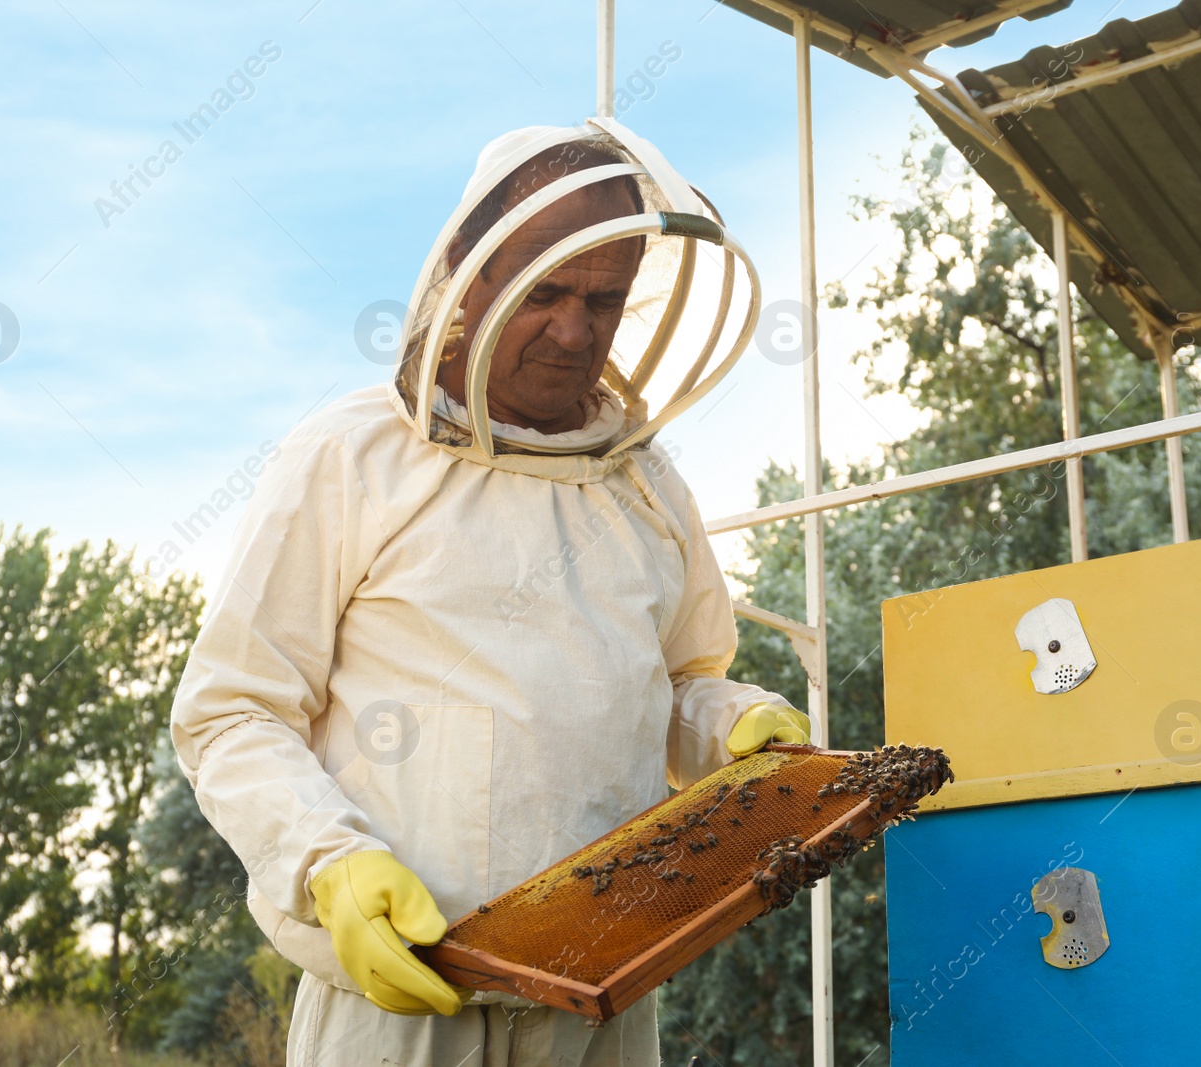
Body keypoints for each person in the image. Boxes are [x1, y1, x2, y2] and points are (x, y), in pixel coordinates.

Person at [170, 120, 811, 1066]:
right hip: (400, 1014)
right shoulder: (349, 455)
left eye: (604, 298)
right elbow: (232, 711)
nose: (574, 329)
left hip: (605, 1014)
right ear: (466, 276)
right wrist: (330, 864)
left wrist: (737, 724)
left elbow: (671, 690)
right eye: (544, 290)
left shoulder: (649, 486)